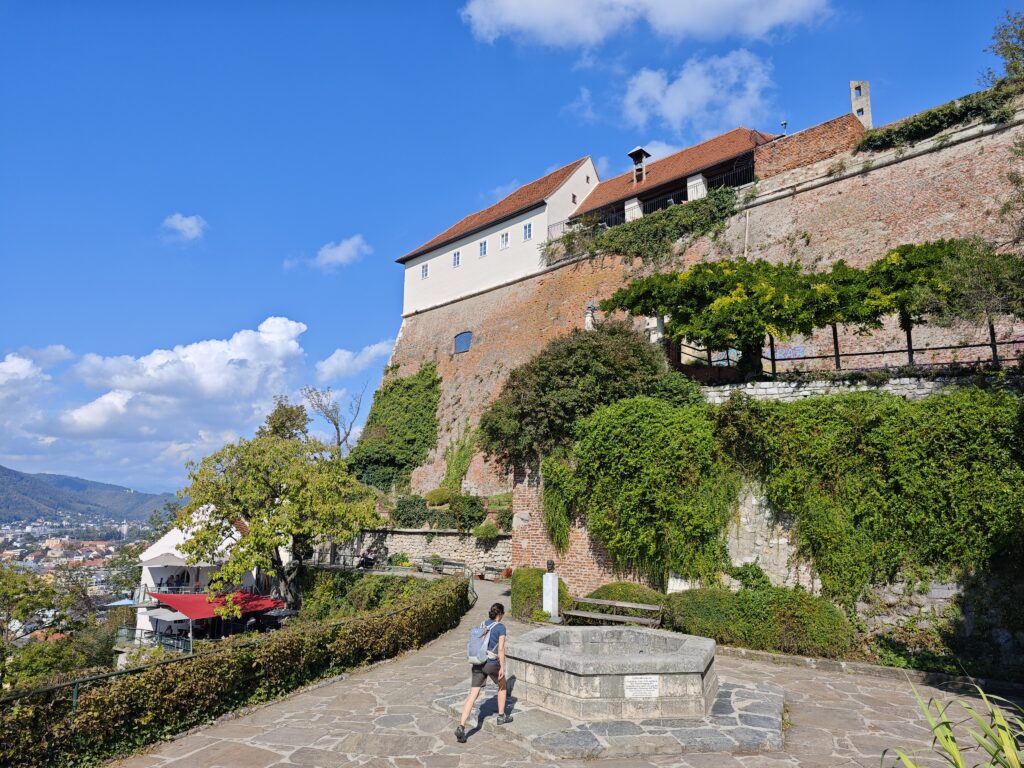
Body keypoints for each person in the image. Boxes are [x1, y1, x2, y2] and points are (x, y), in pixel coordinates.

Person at [455, 602, 512, 743]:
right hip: (491, 663)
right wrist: (502, 668)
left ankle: (461, 726)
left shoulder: (482, 624)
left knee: (473, 694)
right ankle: (501, 716)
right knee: (502, 685)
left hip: (477, 662)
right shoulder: (501, 627)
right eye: (503, 614)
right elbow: (501, 649)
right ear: (500, 614)